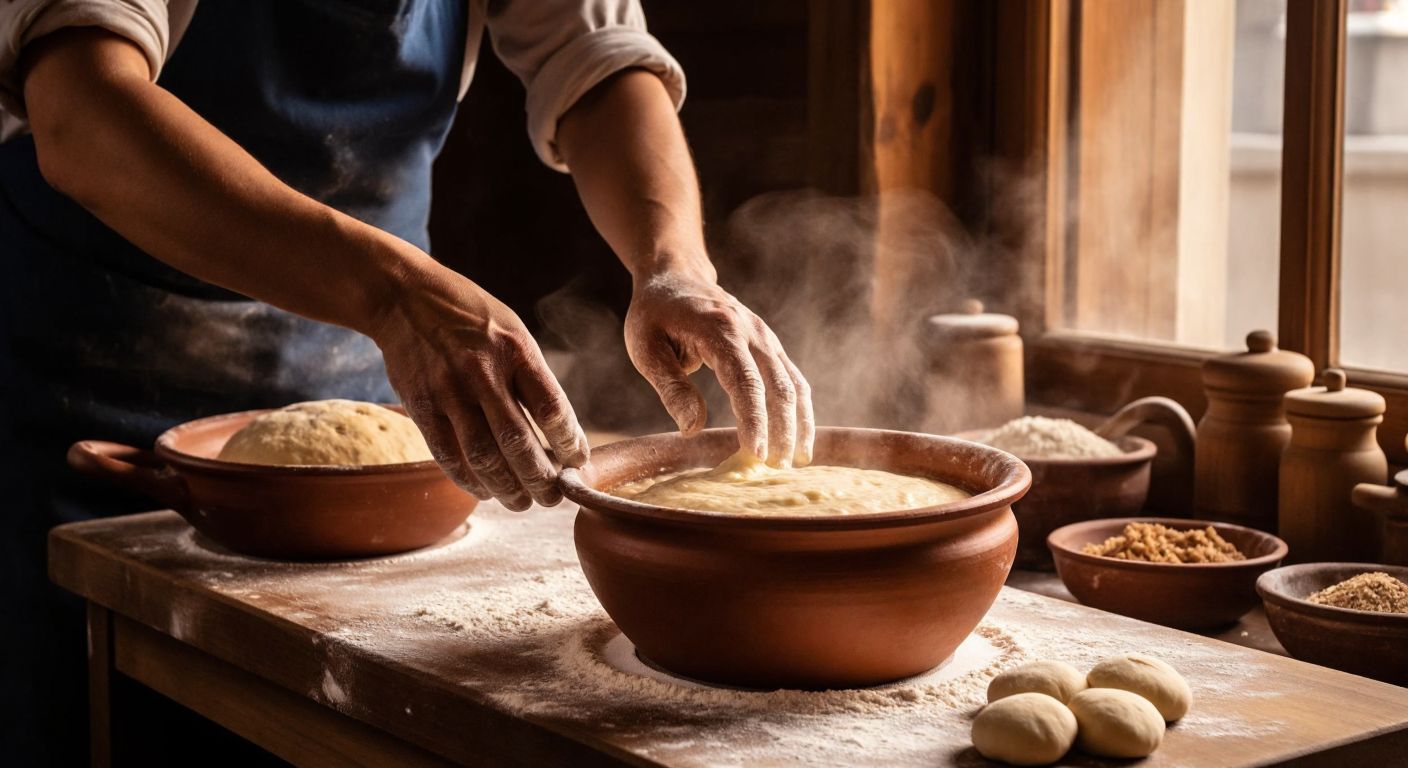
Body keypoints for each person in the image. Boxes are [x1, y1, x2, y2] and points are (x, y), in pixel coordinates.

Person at [0, 1, 813, 762]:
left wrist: (674, 266)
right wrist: (395, 295)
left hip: (370, 399)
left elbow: (597, 60)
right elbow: (81, 113)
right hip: (89, 388)